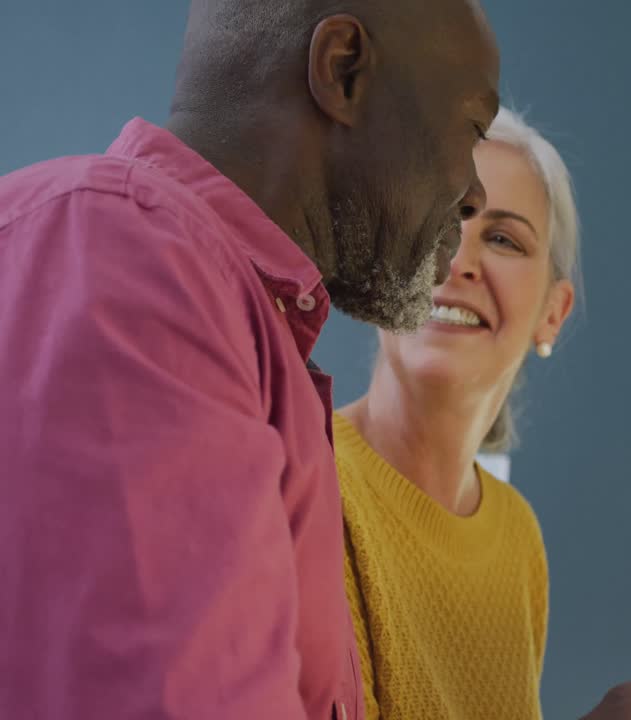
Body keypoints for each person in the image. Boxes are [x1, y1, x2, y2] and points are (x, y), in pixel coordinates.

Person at [0, 0, 498, 717]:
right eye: (473, 128)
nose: (474, 191)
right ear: (343, 71)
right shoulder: (136, 263)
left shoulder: (216, 299)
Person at [337, 108, 631, 720]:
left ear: (554, 312)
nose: (457, 260)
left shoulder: (519, 540)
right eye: (439, 222)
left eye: (502, 239)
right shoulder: (301, 469)